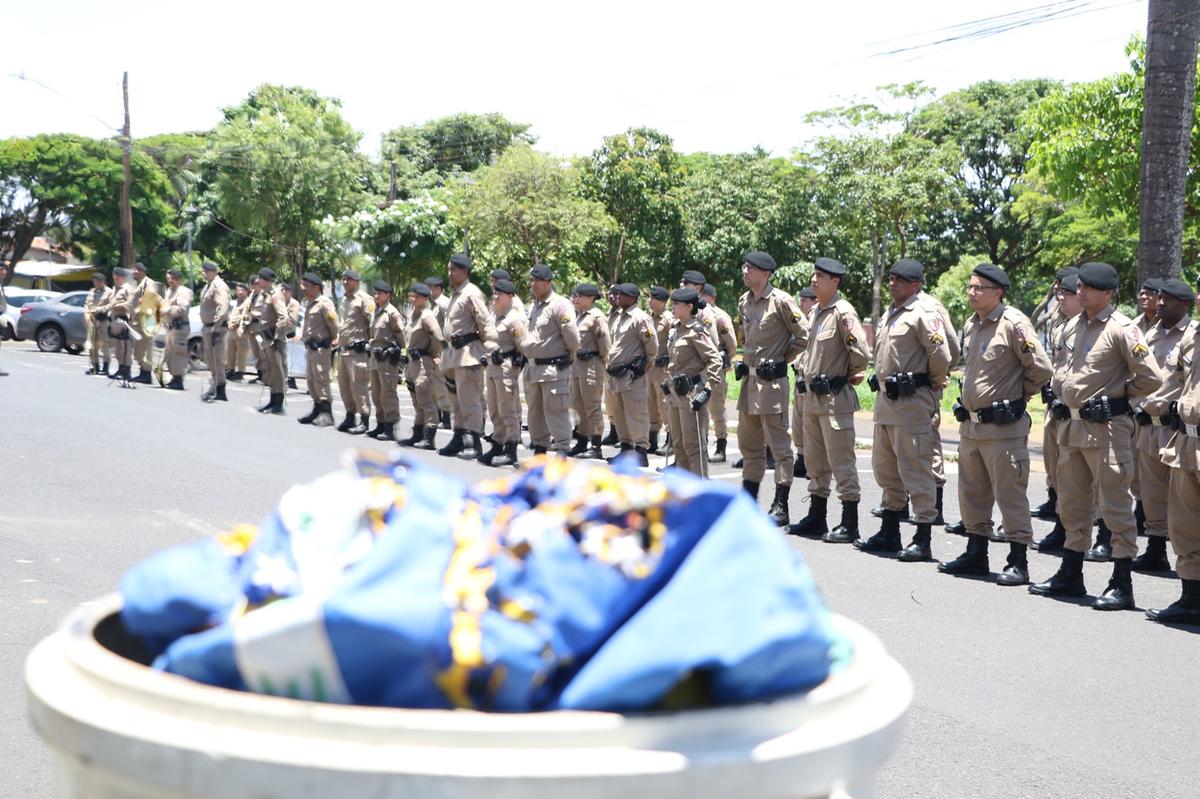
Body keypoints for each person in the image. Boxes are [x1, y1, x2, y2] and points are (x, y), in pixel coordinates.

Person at [1029, 262, 1163, 611]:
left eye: (1089, 288)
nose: (1080, 292)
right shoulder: (1072, 326)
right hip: (1071, 427)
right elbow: (1062, 370)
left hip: (1107, 430)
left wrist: (1119, 396)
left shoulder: (1122, 329)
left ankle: (1121, 582)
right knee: (1071, 503)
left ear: (1108, 294)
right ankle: (1071, 573)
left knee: (1115, 506)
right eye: (1080, 287)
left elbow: (1151, 378)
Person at [936, 264, 1052, 584]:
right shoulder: (972, 324)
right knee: (972, 493)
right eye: (970, 287)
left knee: (1009, 494)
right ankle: (976, 553)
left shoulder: (1014, 323)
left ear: (997, 292)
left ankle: (1018, 559)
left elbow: (1040, 368)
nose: (972, 293)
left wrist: (1018, 396)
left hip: (1004, 428)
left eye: (979, 288)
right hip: (972, 426)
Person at [854, 259, 951, 558]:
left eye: (900, 279)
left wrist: (930, 382)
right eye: (891, 278)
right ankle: (890, 532)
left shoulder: (924, 312)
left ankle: (922, 538)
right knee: (887, 471)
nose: (893, 283)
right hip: (886, 403)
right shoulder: (890, 313)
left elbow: (944, 353)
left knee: (916, 471)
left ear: (916, 284)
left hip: (911, 403)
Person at [789, 259, 869, 541]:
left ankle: (850, 522)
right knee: (815, 462)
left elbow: (861, 352)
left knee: (841, 462)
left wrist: (841, 376)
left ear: (835, 282)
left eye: (820, 276)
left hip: (834, 400)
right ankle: (817, 516)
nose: (814, 279)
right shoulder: (816, 313)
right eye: (814, 274)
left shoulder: (842, 312)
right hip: (811, 400)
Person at [735, 251, 809, 526]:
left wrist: (781, 360)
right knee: (749, 447)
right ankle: (747, 501)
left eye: (751, 268)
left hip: (772, 385)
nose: (745, 271)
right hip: (749, 384)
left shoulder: (781, 301)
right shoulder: (745, 302)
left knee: (779, 448)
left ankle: (781, 505)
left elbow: (804, 335)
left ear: (765, 274)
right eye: (745, 266)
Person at [1131, 279, 1194, 573]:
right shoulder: (1149, 334)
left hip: (1174, 426)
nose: (1160, 304)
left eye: (1167, 300)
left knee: (1180, 498)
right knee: (1150, 491)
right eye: (1159, 299)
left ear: (1184, 304)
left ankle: (1186, 558)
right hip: (1148, 424)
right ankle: (1156, 549)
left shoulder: (1190, 335)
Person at [1147, 301, 1200, 625]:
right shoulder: (1193, 336)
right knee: (1185, 527)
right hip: (1189, 441)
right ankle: (1191, 598)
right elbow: (1176, 380)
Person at [1029, 267, 1080, 529]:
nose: (1058, 293)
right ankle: (1056, 504)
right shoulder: (1057, 317)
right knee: (1054, 460)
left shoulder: (1085, 323)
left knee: (1076, 473)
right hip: (1056, 403)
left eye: (1065, 290)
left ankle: (1073, 525)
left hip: (1080, 410)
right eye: (1058, 288)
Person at [437, 253, 496, 460]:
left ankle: (473, 441)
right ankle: (459, 436)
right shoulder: (456, 293)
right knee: (456, 401)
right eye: (449, 269)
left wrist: (487, 352)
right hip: (454, 354)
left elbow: (485, 324)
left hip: (468, 354)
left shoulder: (471, 293)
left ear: (464, 271)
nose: (449, 273)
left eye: (453, 270)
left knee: (469, 401)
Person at [519, 263, 580, 456]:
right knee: (535, 414)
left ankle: (562, 454)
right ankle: (540, 453)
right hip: (533, 369)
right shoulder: (534, 306)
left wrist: (567, 354)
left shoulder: (559, 305)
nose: (533, 284)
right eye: (532, 280)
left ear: (548, 282)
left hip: (553, 369)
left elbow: (572, 337)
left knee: (556, 412)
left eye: (538, 280)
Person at [664, 287, 724, 475]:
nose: (672, 307)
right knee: (679, 445)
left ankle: (699, 488)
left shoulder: (696, 331)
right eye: (672, 303)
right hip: (675, 392)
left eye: (676, 304)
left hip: (691, 393)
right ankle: (684, 488)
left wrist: (707, 389)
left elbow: (715, 359)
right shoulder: (675, 329)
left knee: (694, 445)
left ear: (689, 307)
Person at [605, 283, 658, 466]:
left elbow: (652, 347)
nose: (618, 297)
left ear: (633, 298)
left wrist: (644, 366)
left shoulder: (640, 318)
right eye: (617, 295)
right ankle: (626, 450)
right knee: (619, 414)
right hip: (616, 374)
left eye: (623, 295)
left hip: (632, 374)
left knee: (637, 414)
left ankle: (641, 451)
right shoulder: (619, 316)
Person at [482, 279, 527, 467]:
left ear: (510, 296)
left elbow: (524, 345)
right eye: (495, 292)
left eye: (500, 293)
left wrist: (517, 358)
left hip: (506, 368)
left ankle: (511, 449)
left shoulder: (513, 319)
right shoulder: (494, 316)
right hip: (492, 367)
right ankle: (497, 445)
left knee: (507, 410)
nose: (496, 296)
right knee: (494, 410)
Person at [399, 283, 446, 449]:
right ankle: (417, 434)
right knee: (417, 400)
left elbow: (439, 339)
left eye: (416, 296)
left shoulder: (427, 316)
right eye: (412, 296)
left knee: (426, 399)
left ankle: (429, 437)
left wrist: (432, 354)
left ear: (426, 298)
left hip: (422, 361)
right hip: (412, 361)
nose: (413, 298)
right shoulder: (414, 314)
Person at [569, 283, 611, 458]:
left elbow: (606, 345)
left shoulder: (596, 317)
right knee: (578, 405)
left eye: (579, 296)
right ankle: (581, 441)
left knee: (592, 406)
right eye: (575, 296)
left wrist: (595, 355)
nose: (575, 299)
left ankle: (596, 446)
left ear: (590, 298)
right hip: (577, 366)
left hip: (591, 365)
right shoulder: (578, 316)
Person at [701, 283, 738, 463]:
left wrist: (722, 360)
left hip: (715, 368)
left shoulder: (720, 316)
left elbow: (732, 345)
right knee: (699, 409)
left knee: (716, 408)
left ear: (711, 297)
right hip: (698, 368)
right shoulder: (695, 313)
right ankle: (702, 446)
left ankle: (721, 445)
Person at [366, 280, 407, 442]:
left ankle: (390, 426)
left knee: (388, 393)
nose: (376, 295)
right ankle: (380, 423)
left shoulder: (392, 313)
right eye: (375, 293)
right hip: (375, 357)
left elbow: (401, 339)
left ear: (388, 295)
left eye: (379, 293)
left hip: (387, 358)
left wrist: (392, 350)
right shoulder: (375, 311)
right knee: (376, 393)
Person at [296, 272, 338, 427]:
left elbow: (333, 325)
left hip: (321, 349)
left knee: (321, 379)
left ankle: (326, 413)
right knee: (311, 380)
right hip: (311, 348)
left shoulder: (324, 303)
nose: (303, 288)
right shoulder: (311, 303)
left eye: (306, 286)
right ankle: (317, 408)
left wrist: (329, 341)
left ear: (316, 287)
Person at [336, 269, 375, 434]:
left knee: (359, 386)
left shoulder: (364, 300)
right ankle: (350, 414)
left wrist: (370, 343)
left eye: (349, 279)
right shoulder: (344, 299)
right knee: (344, 386)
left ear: (357, 281)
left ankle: (364, 419)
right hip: (343, 350)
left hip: (357, 351)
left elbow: (373, 322)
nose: (345, 282)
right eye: (344, 279)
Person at [248, 268, 291, 414]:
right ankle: (272, 400)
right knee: (271, 372)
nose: (258, 281)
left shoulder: (275, 295)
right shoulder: (265, 295)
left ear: (265, 280)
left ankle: (278, 404)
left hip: (274, 341)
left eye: (260, 279)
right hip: (267, 340)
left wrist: (276, 335)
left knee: (278, 373)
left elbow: (283, 317)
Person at [790, 286, 818, 478]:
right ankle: (801, 458)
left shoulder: (818, 320)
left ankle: (813, 462)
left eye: (805, 300)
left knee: (810, 423)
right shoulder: (801, 322)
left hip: (811, 379)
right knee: (798, 421)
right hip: (799, 377)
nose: (801, 303)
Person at [198, 261, 231, 402]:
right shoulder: (208, 286)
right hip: (208, 327)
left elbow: (222, 308)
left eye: (206, 271)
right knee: (210, 359)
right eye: (203, 271)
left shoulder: (219, 286)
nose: (203, 273)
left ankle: (220, 390)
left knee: (217, 360)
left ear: (213, 272)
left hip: (216, 328)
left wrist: (216, 325)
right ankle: (215, 387)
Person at [425, 275, 454, 430]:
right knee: (434, 384)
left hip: (442, 349)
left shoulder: (443, 304)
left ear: (438, 288)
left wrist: (445, 350)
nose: (428, 289)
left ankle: (447, 417)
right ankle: (440, 415)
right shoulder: (432, 304)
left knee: (441, 384)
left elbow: (448, 328)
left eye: (431, 286)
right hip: (433, 350)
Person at [646, 286, 672, 455]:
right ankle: (652, 439)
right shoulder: (649, 318)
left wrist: (668, 358)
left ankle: (670, 440)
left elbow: (674, 341)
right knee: (650, 404)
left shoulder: (669, 319)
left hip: (663, 369)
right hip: (649, 368)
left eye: (652, 298)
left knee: (665, 404)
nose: (649, 300)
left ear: (661, 301)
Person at [159, 269, 193, 391]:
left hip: (180, 328)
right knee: (170, 355)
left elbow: (183, 308)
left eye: (172, 279)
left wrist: (168, 310)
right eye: (168, 278)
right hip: (170, 327)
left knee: (178, 354)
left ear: (179, 279)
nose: (170, 281)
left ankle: (178, 379)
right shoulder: (169, 291)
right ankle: (174, 377)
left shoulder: (183, 291)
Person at [101, 268, 136, 382]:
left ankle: (127, 371)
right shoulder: (114, 289)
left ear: (123, 277)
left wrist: (117, 305)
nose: (115, 278)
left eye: (118, 276)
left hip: (124, 321)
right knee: (117, 349)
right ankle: (120, 368)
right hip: (114, 321)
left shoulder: (127, 289)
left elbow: (131, 304)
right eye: (114, 275)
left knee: (126, 347)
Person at [128, 262, 158, 383]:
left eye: (137, 270)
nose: (134, 272)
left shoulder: (148, 283)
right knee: (140, 347)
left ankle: (146, 374)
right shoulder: (138, 284)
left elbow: (149, 299)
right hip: (139, 321)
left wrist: (137, 309)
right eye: (134, 269)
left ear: (142, 272)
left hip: (147, 320)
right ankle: (143, 371)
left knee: (146, 347)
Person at [83, 272, 113, 376]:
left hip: (103, 321)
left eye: (98, 282)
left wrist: (100, 309)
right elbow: (87, 304)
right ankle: (95, 366)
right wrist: (86, 313)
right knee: (92, 345)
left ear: (103, 282)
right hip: (93, 320)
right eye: (94, 281)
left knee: (104, 345)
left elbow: (111, 305)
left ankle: (105, 368)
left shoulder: (109, 292)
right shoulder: (92, 291)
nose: (96, 283)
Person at [226, 283, 251, 381]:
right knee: (230, 352)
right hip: (232, 330)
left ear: (246, 291)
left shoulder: (248, 302)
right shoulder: (236, 302)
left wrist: (242, 327)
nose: (240, 292)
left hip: (241, 330)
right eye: (238, 290)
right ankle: (231, 369)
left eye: (242, 290)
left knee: (241, 353)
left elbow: (246, 316)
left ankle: (240, 372)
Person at [281, 282, 302, 391]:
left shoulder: (294, 304)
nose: (283, 292)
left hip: (290, 334)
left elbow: (292, 320)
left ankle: (290, 380)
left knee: (289, 359)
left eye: (285, 290)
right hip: (280, 333)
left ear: (289, 292)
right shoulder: (280, 302)